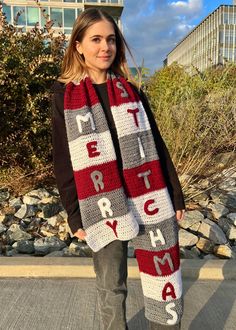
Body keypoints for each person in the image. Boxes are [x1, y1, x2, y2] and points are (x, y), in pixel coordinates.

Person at [51, 8, 185, 330]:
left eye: (110, 39)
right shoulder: (65, 96)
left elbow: (156, 142)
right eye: (95, 39)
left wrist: (175, 194)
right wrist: (74, 213)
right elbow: (64, 160)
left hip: (148, 193)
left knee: (164, 275)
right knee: (111, 285)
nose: (105, 47)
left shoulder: (131, 91)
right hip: (101, 203)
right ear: (78, 45)